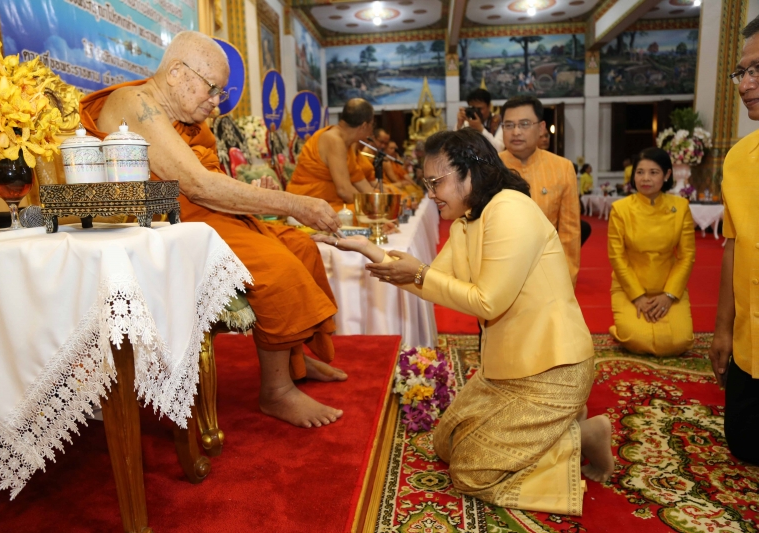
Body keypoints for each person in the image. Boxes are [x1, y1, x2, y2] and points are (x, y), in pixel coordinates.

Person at [314, 129, 614, 515]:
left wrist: (419, 273)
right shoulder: (467, 221)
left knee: (471, 472)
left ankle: (583, 435)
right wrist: (366, 247)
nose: (431, 193)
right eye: (427, 184)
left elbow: (488, 301)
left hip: (552, 367)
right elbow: (432, 280)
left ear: (470, 173)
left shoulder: (510, 209)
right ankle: (554, 427)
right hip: (505, 367)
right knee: (447, 442)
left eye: (436, 182)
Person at [80, 31, 346, 429]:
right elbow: (198, 186)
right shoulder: (134, 103)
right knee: (279, 269)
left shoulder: (181, 114)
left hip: (206, 214)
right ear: (175, 73)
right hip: (167, 223)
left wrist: (255, 197)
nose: (216, 101)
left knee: (301, 248)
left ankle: (292, 358)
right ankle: (276, 393)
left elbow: (208, 178)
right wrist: (296, 204)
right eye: (212, 89)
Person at [709, 14, 759, 465]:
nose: (745, 83)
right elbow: (733, 246)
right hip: (750, 341)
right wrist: (723, 328)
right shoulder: (739, 158)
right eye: (742, 71)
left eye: (757, 70)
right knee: (743, 445)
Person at [608, 147, 694, 356]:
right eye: (640, 172)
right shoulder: (621, 209)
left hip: (669, 288)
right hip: (631, 288)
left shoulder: (680, 207)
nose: (645, 178)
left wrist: (669, 294)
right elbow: (617, 257)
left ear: (667, 175)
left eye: (653, 172)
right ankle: (619, 327)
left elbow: (686, 256)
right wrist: (637, 297)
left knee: (680, 341)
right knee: (638, 339)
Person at [498, 95, 581, 286]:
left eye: (524, 124)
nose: (516, 132)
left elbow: (570, 234)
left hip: (547, 276)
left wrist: (566, 284)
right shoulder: (488, 168)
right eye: (509, 125)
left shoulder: (562, 168)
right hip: (499, 277)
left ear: (541, 128)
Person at [287, 99, 377, 212]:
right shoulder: (334, 140)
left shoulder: (347, 145)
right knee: (361, 215)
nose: (371, 130)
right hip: (308, 206)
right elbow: (344, 191)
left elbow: (361, 183)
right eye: (372, 125)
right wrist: (371, 209)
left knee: (383, 206)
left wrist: (377, 204)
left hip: (327, 204)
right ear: (364, 125)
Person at [455, 88, 504, 153]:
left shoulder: (499, 121)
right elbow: (455, 147)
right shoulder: (467, 122)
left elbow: (499, 149)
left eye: (479, 109)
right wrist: (459, 126)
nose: (476, 112)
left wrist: (481, 129)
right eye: (473, 108)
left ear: (489, 106)